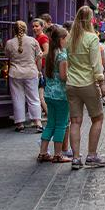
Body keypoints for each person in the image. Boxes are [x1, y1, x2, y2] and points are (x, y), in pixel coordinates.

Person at [65, 6, 105, 169]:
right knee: (97, 118)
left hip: (72, 84)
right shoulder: (92, 38)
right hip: (88, 83)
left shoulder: (69, 38)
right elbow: (96, 64)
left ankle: (76, 158)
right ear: (90, 20)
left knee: (75, 121)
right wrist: (102, 83)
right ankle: (91, 155)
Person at [38, 25, 71, 162]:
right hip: (61, 95)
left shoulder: (50, 53)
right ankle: (58, 154)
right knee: (61, 124)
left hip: (49, 93)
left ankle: (43, 152)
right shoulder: (62, 55)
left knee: (50, 123)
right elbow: (63, 76)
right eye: (67, 38)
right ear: (62, 39)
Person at [4, 21, 43, 133]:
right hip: (31, 72)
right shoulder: (33, 41)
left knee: (18, 98)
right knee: (34, 97)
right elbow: (39, 57)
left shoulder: (10, 43)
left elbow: (7, 56)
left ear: (14, 30)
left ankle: (20, 123)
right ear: (25, 29)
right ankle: (38, 122)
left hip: (15, 73)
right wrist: (39, 70)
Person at [32, 18, 50, 119]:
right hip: (39, 66)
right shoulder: (38, 37)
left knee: (40, 92)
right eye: (33, 26)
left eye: (37, 26)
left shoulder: (42, 37)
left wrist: (38, 56)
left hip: (41, 66)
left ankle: (48, 114)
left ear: (42, 27)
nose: (34, 28)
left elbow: (47, 51)